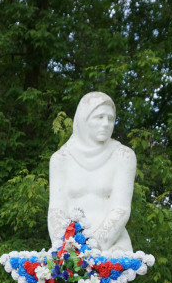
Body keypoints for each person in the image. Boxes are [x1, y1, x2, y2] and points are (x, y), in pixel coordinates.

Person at [47, 92, 136, 253]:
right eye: (99, 117)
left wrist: (92, 250)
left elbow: (121, 209)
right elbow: (56, 210)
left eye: (110, 119)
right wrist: (65, 249)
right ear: (84, 119)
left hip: (112, 247)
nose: (106, 124)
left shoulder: (123, 156)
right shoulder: (61, 159)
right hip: (69, 250)